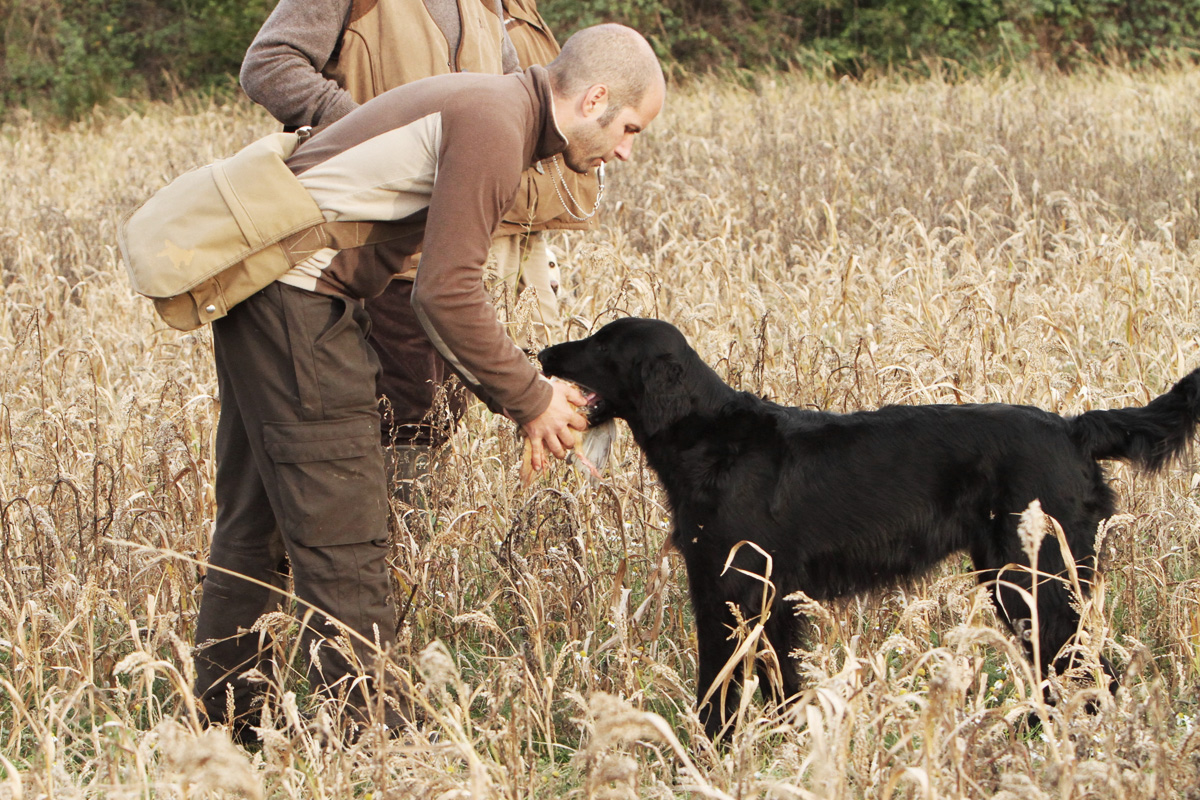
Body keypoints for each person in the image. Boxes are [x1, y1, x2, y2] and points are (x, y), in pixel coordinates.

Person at [191, 23, 666, 739]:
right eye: (629, 127)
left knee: (253, 530)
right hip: (296, 301)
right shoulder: (497, 125)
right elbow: (443, 293)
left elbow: (439, 290)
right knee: (347, 536)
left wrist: (524, 395)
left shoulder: (497, 105)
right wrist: (533, 399)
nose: (627, 149)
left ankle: (222, 738)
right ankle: (380, 748)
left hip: (271, 296)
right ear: (595, 98)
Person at [239, 0, 600, 505]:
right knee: (351, 442)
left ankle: (409, 571)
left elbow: (512, 95)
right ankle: (373, 564)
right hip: (355, 255)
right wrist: (370, 134)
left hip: (453, 254)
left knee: (430, 424)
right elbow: (269, 64)